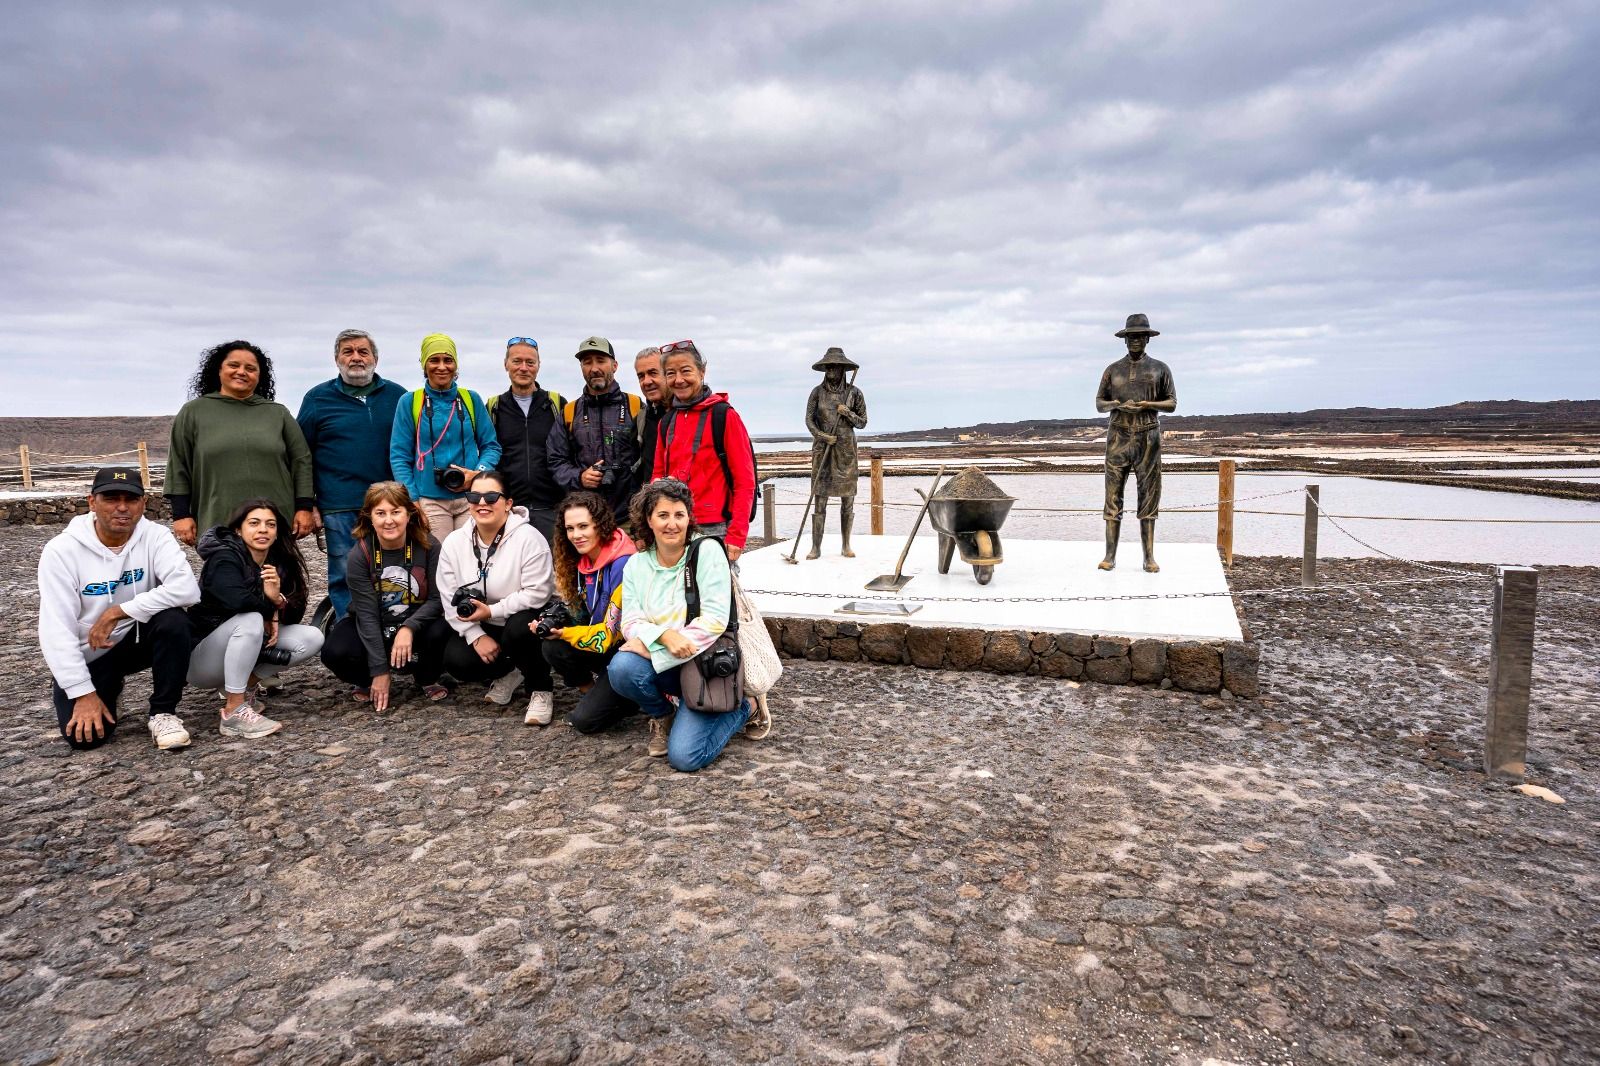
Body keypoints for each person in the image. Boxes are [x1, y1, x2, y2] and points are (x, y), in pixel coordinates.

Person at [38, 467, 200, 751]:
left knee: (175, 621)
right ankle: (107, 688)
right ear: (92, 502)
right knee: (85, 740)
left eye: (131, 499)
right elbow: (56, 629)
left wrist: (117, 611)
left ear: (143, 503)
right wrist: (82, 692)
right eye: (111, 498)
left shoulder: (155, 536)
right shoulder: (61, 551)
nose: (122, 507)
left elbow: (186, 589)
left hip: (136, 640)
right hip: (92, 652)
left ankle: (163, 713)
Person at [607, 478, 751, 771]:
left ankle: (744, 708)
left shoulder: (707, 552)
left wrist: (655, 647)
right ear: (649, 519)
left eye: (679, 515)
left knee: (685, 758)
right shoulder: (636, 564)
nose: (672, 524)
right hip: (670, 660)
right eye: (663, 515)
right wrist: (663, 636)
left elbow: (714, 621)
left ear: (689, 518)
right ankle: (665, 714)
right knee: (622, 669)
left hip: (703, 662)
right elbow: (631, 622)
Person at [188, 499, 325, 738]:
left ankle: (242, 687)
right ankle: (234, 712)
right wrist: (269, 607)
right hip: (201, 659)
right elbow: (237, 602)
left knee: (312, 637)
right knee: (250, 618)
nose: (263, 529)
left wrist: (279, 600)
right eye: (254, 523)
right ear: (238, 530)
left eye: (270, 524)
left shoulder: (279, 563)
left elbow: (295, 613)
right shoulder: (223, 558)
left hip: (245, 649)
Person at [296, 329, 408, 619]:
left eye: (363, 351)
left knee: (393, 573)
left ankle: (392, 634)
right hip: (339, 506)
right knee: (347, 574)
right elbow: (300, 455)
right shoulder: (318, 398)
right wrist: (307, 504)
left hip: (388, 506)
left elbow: (412, 449)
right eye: (348, 351)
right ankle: (352, 638)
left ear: (375, 358)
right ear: (337, 359)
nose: (356, 357)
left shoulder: (397, 396)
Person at [435, 470, 556, 724]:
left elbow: (538, 592)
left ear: (508, 503)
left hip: (522, 618)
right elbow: (447, 596)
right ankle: (510, 672)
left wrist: (493, 611)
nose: (482, 503)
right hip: (481, 623)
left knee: (520, 630)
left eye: (491, 497)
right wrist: (475, 635)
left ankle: (540, 688)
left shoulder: (529, 539)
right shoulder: (454, 542)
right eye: (474, 496)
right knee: (457, 660)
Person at [319, 482, 452, 711]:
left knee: (444, 631)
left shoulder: (429, 545)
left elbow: (437, 599)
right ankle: (366, 678)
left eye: (395, 512)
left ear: (409, 514)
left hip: (417, 624)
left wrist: (408, 627)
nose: (388, 520)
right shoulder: (360, 554)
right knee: (335, 651)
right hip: (376, 622)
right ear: (369, 517)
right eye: (380, 513)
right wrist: (380, 671)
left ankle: (425, 677)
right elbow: (367, 615)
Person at [168, 340, 314, 546]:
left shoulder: (277, 414)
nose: (242, 372)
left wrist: (304, 507)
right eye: (233, 365)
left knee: (275, 577)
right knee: (225, 575)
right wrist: (181, 514)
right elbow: (179, 465)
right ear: (218, 369)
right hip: (217, 518)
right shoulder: (193, 412)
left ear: (259, 375)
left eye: (250, 368)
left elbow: (302, 461)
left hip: (274, 522)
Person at [389, 333, 502, 547]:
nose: (442, 367)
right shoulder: (410, 402)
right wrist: (412, 499)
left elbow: (491, 446)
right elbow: (399, 456)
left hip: (471, 497)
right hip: (430, 501)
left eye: (448, 360)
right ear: (424, 364)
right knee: (439, 560)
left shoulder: (471, 399)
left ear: (456, 365)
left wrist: (477, 473)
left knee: (474, 557)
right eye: (434, 360)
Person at [540, 491, 638, 734]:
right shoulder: (582, 561)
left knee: (585, 722)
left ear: (600, 524)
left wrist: (567, 633)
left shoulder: (623, 563)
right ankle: (595, 692)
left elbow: (609, 634)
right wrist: (556, 622)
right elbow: (583, 614)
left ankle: (629, 697)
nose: (576, 535)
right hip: (602, 646)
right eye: (570, 528)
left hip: (626, 651)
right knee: (551, 646)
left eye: (584, 526)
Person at [652, 340, 757, 560]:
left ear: (702, 371)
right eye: (671, 373)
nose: (679, 380)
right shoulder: (667, 421)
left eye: (686, 371)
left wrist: (737, 536)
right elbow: (657, 478)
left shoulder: (724, 416)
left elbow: (745, 482)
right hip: (674, 527)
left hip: (716, 528)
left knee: (717, 594)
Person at [1094, 313, 1178, 573]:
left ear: (1147, 340)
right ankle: (1110, 556)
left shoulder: (1160, 369)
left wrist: (1147, 405)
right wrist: (1118, 405)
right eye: (1131, 337)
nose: (1135, 341)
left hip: (1148, 437)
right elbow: (1099, 403)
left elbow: (1172, 403)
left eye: (1140, 337)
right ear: (1125, 339)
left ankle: (1148, 557)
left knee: (1149, 496)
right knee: (1112, 496)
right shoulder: (1112, 370)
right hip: (1118, 436)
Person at [546, 336, 646, 522]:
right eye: (587, 362)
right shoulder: (569, 412)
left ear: (614, 365)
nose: (594, 368)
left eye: (601, 361)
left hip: (631, 519)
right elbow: (555, 461)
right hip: (586, 520)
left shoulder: (635, 406)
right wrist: (579, 477)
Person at [487, 337, 565, 544]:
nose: (523, 368)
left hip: (551, 509)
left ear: (538, 366)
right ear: (506, 364)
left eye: (530, 362)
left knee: (555, 572)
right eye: (517, 361)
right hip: (509, 511)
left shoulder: (555, 404)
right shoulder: (493, 408)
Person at [802, 346, 868, 558]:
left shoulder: (854, 393)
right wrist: (822, 436)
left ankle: (846, 545)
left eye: (834, 367)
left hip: (846, 452)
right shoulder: (817, 393)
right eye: (827, 367)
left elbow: (863, 423)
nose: (830, 371)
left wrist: (846, 412)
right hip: (823, 450)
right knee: (820, 497)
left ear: (842, 369)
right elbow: (809, 420)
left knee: (847, 498)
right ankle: (816, 547)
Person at [633, 345, 666, 484]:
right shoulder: (640, 421)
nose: (646, 381)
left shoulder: (694, 416)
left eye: (653, 373)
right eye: (641, 376)